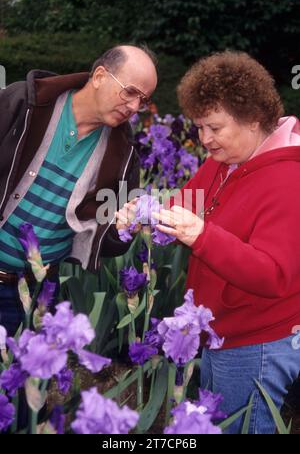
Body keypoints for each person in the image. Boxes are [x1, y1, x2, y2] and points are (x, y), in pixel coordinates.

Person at [152, 51, 300, 434]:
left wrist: (201, 235)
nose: (204, 140)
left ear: (253, 119)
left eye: (214, 127)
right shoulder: (227, 159)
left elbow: (274, 275)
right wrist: (144, 212)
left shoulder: (288, 181)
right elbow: (185, 203)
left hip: (258, 342)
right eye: (199, 127)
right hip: (220, 330)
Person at [0, 44, 157, 337]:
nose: (135, 107)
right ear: (99, 76)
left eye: (143, 100)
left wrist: (123, 228)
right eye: (130, 92)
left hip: (32, 292)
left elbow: (108, 242)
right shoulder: (25, 102)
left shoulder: (123, 155)